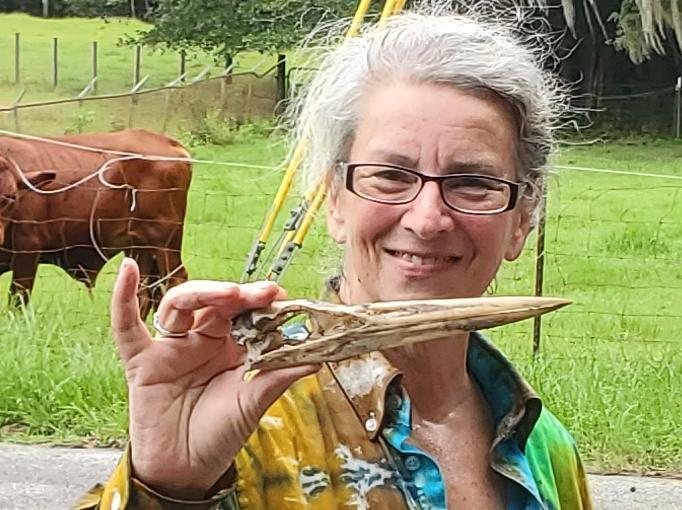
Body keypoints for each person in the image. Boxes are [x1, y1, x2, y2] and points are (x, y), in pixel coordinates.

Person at [77, 6, 591, 510]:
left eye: (473, 183)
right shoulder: (247, 417)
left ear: (522, 220)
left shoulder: (544, 446)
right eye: (390, 175)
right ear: (335, 199)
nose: (427, 219)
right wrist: (167, 488)